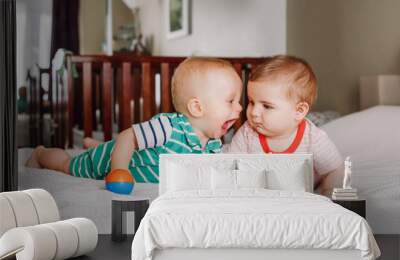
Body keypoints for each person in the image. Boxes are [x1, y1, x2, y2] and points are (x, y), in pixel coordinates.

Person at [26, 57, 243, 183]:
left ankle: (93, 143)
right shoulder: (168, 127)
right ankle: (41, 153)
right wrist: (118, 169)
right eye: (231, 101)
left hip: (133, 157)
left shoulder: (213, 146)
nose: (240, 108)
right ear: (197, 107)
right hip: (108, 161)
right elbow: (128, 137)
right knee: (69, 165)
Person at [224, 55, 343, 196]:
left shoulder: (312, 138)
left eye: (267, 106)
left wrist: (328, 194)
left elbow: (334, 170)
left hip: (300, 196)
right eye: (251, 102)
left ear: (298, 111)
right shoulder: (248, 133)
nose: (254, 112)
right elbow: (230, 165)